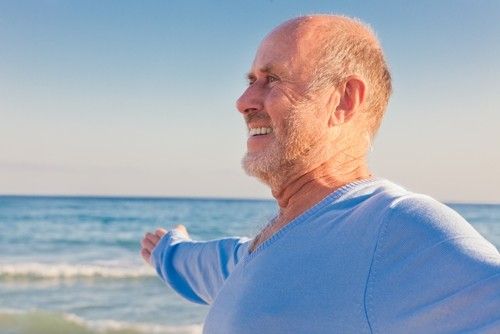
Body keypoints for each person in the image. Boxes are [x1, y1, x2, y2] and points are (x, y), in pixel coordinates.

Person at [140, 15, 500, 333]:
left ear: (344, 99)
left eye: (272, 79)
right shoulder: (270, 246)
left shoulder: (396, 229)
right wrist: (168, 251)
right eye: (251, 79)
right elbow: (225, 268)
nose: (243, 100)